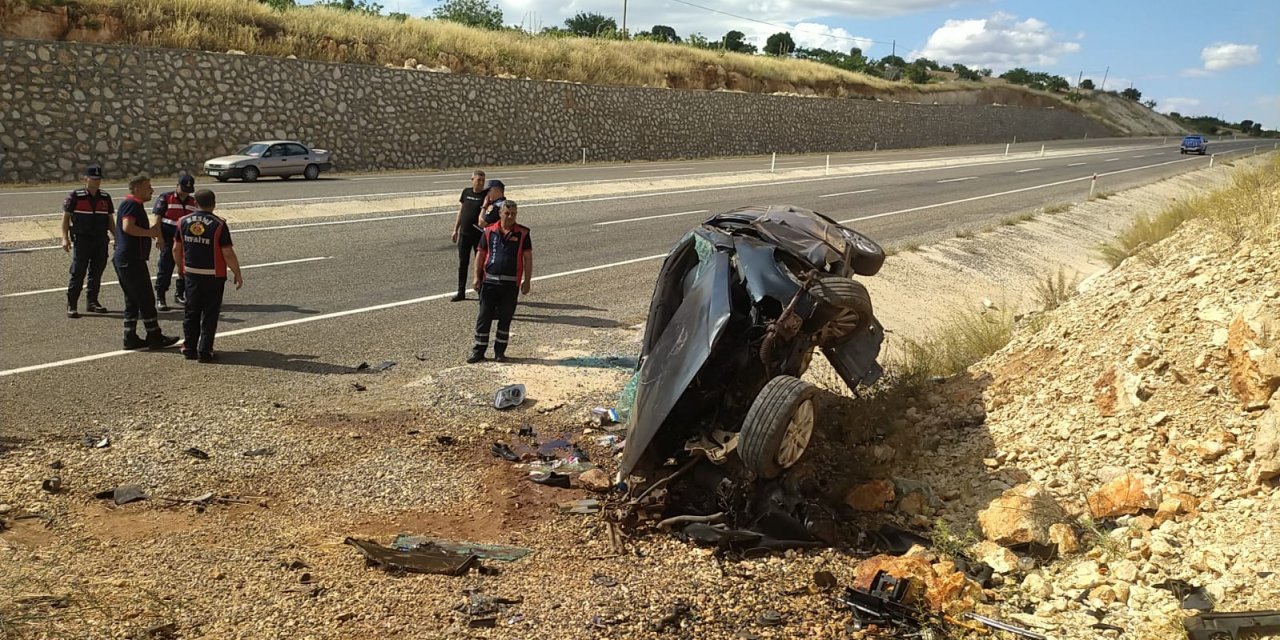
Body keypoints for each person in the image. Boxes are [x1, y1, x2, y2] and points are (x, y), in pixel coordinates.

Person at [173, 189, 242, 363]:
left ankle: (189, 348)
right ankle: (205, 350)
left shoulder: (182, 222)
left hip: (191, 273)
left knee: (191, 312)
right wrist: (237, 272)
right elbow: (227, 252)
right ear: (214, 203)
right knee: (210, 314)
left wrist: (181, 268)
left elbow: (176, 249)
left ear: (195, 203)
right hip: (214, 275)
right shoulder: (219, 224)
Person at [113, 175, 181, 350]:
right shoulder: (132, 204)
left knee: (132, 299)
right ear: (136, 189)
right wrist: (149, 233)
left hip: (128, 259)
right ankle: (155, 336)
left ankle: (130, 336)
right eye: (148, 187)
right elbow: (128, 227)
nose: (152, 190)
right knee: (145, 298)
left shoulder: (133, 204)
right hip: (131, 260)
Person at [468, 200, 532, 364]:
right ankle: (479, 351)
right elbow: (480, 255)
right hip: (489, 283)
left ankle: (499, 352)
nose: (510, 217)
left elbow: (527, 258)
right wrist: (476, 277)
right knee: (484, 318)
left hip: (510, 285)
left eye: (514, 214)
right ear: (500, 214)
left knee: (505, 319)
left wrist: (527, 280)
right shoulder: (489, 231)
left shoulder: (523, 233)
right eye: (507, 213)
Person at [62, 165, 116, 318]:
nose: (97, 182)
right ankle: (72, 304)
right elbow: (66, 218)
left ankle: (92, 301)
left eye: (99, 179)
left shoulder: (105, 197)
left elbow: (110, 220)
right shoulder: (76, 196)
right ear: (85, 179)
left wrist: (116, 237)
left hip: (100, 239)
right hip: (82, 240)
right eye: (93, 178)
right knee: (78, 272)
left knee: (96, 272)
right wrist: (64, 238)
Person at [152, 173, 198, 311]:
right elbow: (157, 219)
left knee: (183, 267)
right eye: (183, 188)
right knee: (165, 267)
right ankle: (161, 296)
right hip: (168, 238)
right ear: (177, 186)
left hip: (185, 240)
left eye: (188, 190)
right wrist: (158, 237)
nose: (185, 192)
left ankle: (180, 294)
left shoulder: (192, 202)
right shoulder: (166, 198)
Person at [449, 169, 489, 302]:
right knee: (463, 263)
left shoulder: (486, 195)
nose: (481, 183)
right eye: (478, 180)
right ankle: (461, 292)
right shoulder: (466, 192)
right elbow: (461, 211)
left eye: (483, 180)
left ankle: (481, 293)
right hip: (464, 235)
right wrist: (455, 229)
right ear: (472, 180)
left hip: (478, 236)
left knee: (480, 265)